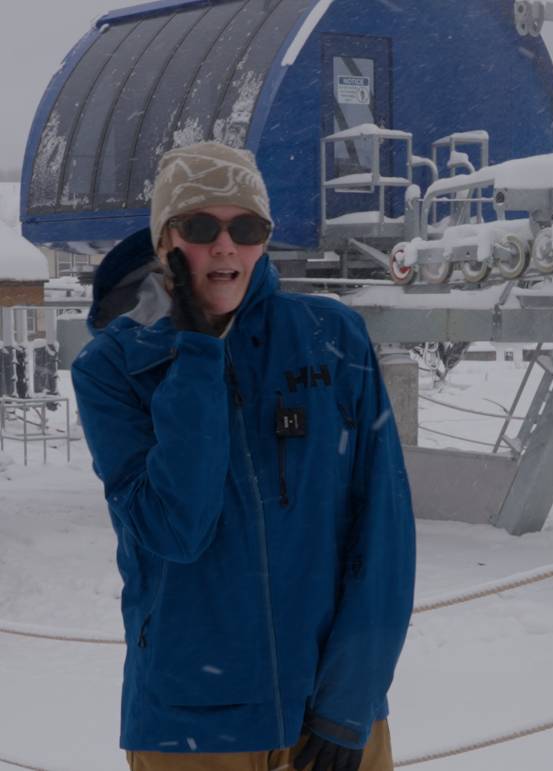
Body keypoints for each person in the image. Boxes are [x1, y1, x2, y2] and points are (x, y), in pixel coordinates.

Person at [72, 142, 416, 771]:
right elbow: (177, 528)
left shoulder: (330, 337)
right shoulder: (112, 368)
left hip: (331, 716)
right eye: (201, 227)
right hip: (189, 729)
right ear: (165, 241)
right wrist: (196, 355)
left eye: (247, 228)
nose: (226, 247)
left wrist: (350, 703)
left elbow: (383, 529)